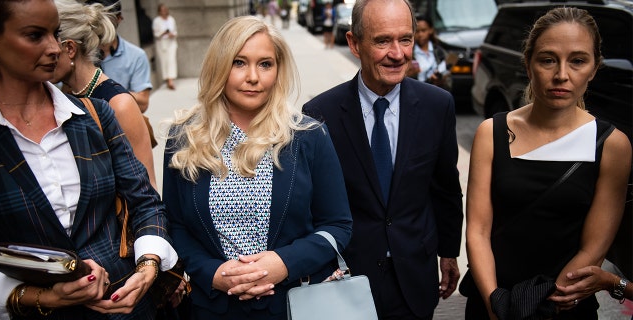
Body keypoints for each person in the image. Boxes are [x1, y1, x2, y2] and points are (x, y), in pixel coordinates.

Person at [0, 0, 178, 319]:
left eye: (55, 33)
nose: (54, 48)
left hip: (128, 305)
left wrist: (148, 263)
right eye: (35, 35)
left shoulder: (95, 115)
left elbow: (145, 200)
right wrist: (46, 298)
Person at [162, 15, 352, 319]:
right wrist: (212, 273)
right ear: (219, 66)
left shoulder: (306, 135)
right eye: (239, 62)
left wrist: (284, 263)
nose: (253, 76)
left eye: (265, 64)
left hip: (295, 304)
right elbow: (176, 225)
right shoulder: (184, 138)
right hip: (212, 309)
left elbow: (338, 225)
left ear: (278, 70)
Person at [464, 6, 631, 319]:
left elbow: (593, 248)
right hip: (492, 301)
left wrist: (544, 307)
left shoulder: (612, 145)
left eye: (578, 61)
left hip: (564, 306)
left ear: (595, 68)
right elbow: (477, 230)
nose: (562, 75)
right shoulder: (492, 133)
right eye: (547, 59)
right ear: (528, 64)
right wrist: (493, 304)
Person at [302, 0, 464, 318]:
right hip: (347, 281)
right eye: (382, 41)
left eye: (405, 39)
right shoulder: (320, 115)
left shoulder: (438, 105)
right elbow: (313, 208)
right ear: (354, 43)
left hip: (415, 277)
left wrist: (449, 252)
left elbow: (446, 188)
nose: (398, 53)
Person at [51, 0, 157, 189]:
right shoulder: (64, 93)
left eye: (48, 39)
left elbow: (147, 189)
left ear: (70, 48)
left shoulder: (119, 104)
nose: (43, 51)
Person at [86, 0, 153, 113]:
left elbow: (143, 103)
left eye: (106, 16)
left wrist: (107, 91)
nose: (100, 23)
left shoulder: (136, 55)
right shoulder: (80, 54)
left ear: (119, 18)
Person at [406, 15, 450, 90]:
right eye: (417, 31)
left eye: (423, 30)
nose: (420, 35)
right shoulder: (409, 53)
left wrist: (440, 79)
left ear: (430, 30)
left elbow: (448, 78)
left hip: (438, 92)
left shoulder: (439, 52)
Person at [152, 3, 178, 90]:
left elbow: (175, 31)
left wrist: (171, 34)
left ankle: (171, 80)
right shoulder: (156, 21)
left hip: (171, 42)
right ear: (159, 11)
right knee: (164, 61)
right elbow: (156, 34)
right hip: (162, 43)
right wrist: (163, 33)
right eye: (162, 10)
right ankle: (167, 79)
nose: (164, 12)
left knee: (171, 60)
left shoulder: (171, 19)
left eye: (165, 10)